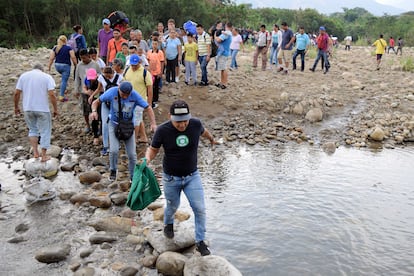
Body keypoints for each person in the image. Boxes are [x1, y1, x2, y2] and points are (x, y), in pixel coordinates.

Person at [145, 100, 218, 256]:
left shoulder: (195, 124)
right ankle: (168, 223)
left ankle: (200, 242)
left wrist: (212, 139)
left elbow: (204, 132)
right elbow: (153, 150)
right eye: (178, 122)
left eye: (185, 120)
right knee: (172, 206)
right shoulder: (162, 130)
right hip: (171, 178)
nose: (182, 124)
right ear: (170, 117)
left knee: (200, 209)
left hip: (192, 176)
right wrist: (146, 160)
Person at [90, 82, 156, 181]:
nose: (125, 96)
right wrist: (94, 111)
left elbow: (148, 108)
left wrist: (153, 123)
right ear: (119, 90)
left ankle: (133, 176)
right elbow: (96, 102)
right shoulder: (112, 92)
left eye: (127, 95)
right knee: (113, 150)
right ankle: (113, 170)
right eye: (122, 94)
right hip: (114, 124)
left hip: (128, 126)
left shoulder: (135, 95)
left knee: (132, 154)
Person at [14, 64, 58, 162]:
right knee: (45, 131)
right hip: (42, 108)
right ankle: (44, 156)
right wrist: (55, 109)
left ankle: (35, 153)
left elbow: (17, 93)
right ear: (42, 70)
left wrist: (16, 107)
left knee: (32, 130)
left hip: (28, 108)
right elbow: (51, 94)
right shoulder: (47, 77)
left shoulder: (24, 76)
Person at [123, 54, 153, 144]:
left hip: (140, 101)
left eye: (135, 65)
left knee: (135, 120)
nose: (133, 66)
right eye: (132, 64)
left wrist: (149, 104)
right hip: (128, 100)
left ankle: (133, 139)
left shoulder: (145, 73)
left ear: (140, 62)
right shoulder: (127, 70)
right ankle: (143, 137)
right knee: (138, 119)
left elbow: (150, 89)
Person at [74, 49, 101, 133]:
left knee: (96, 109)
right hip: (84, 90)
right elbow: (77, 78)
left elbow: (100, 77)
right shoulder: (79, 65)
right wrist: (76, 90)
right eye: (81, 58)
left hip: (95, 91)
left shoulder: (95, 65)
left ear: (88, 56)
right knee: (85, 109)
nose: (83, 60)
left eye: (84, 58)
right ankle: (87, 125)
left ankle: (97, 125)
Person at [48, 35, 77, 102]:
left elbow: (51, 58)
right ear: (65, 41)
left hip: (57, 66)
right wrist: (76, 64)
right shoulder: (68, 48)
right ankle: (61, 96)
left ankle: (65, 89)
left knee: (64, 78)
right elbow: (73, 57)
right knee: (64, 80)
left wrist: (49, 66)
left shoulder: (55, 48)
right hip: (65, 66)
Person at [83, 68, 101, 145]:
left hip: (100, 100)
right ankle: (95, 136)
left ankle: (101, 133)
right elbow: (84, 88)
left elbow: (100, 89)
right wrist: (88, 92)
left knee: (102, 117)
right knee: (94, 118)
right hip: (92, 100)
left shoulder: (100, 80)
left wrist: (93, 94)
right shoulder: (87, 80)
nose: (91, 80)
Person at [147, 39, 165, 108]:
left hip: (157, 72)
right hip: (150, 72)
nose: (154, 45)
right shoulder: (149, 52)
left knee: (156, 87)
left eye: (156, 44)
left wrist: (161, 72)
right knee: (150, 86)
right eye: (153, 44)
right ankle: (150, 99)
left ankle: (155, 99)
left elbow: (162, 62)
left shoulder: (160, 52)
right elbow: (147, 61)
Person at [215, 22, 232, 89]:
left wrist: (215, 36)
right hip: (226, 52)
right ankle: (222, 82)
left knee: (224, 68)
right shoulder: (228, 33)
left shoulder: (226, 33)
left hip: (223, 53)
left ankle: (224, 83)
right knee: (222, 68)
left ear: (226, 26)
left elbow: (219, 40)